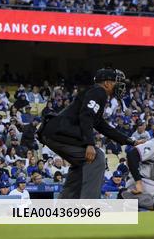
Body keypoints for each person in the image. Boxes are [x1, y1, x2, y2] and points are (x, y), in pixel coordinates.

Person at [37, 68, 134, 199]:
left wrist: (129, 141)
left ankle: (64, 206)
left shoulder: (95, 93)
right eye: (116, 82)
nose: (120, 85)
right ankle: (89, 205)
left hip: (55, 132)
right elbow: (86, 116)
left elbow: (101, 125)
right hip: (58, 132)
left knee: (83, 163)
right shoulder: (99, 92)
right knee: (97, 157)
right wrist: (89, 143)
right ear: (107, 83)